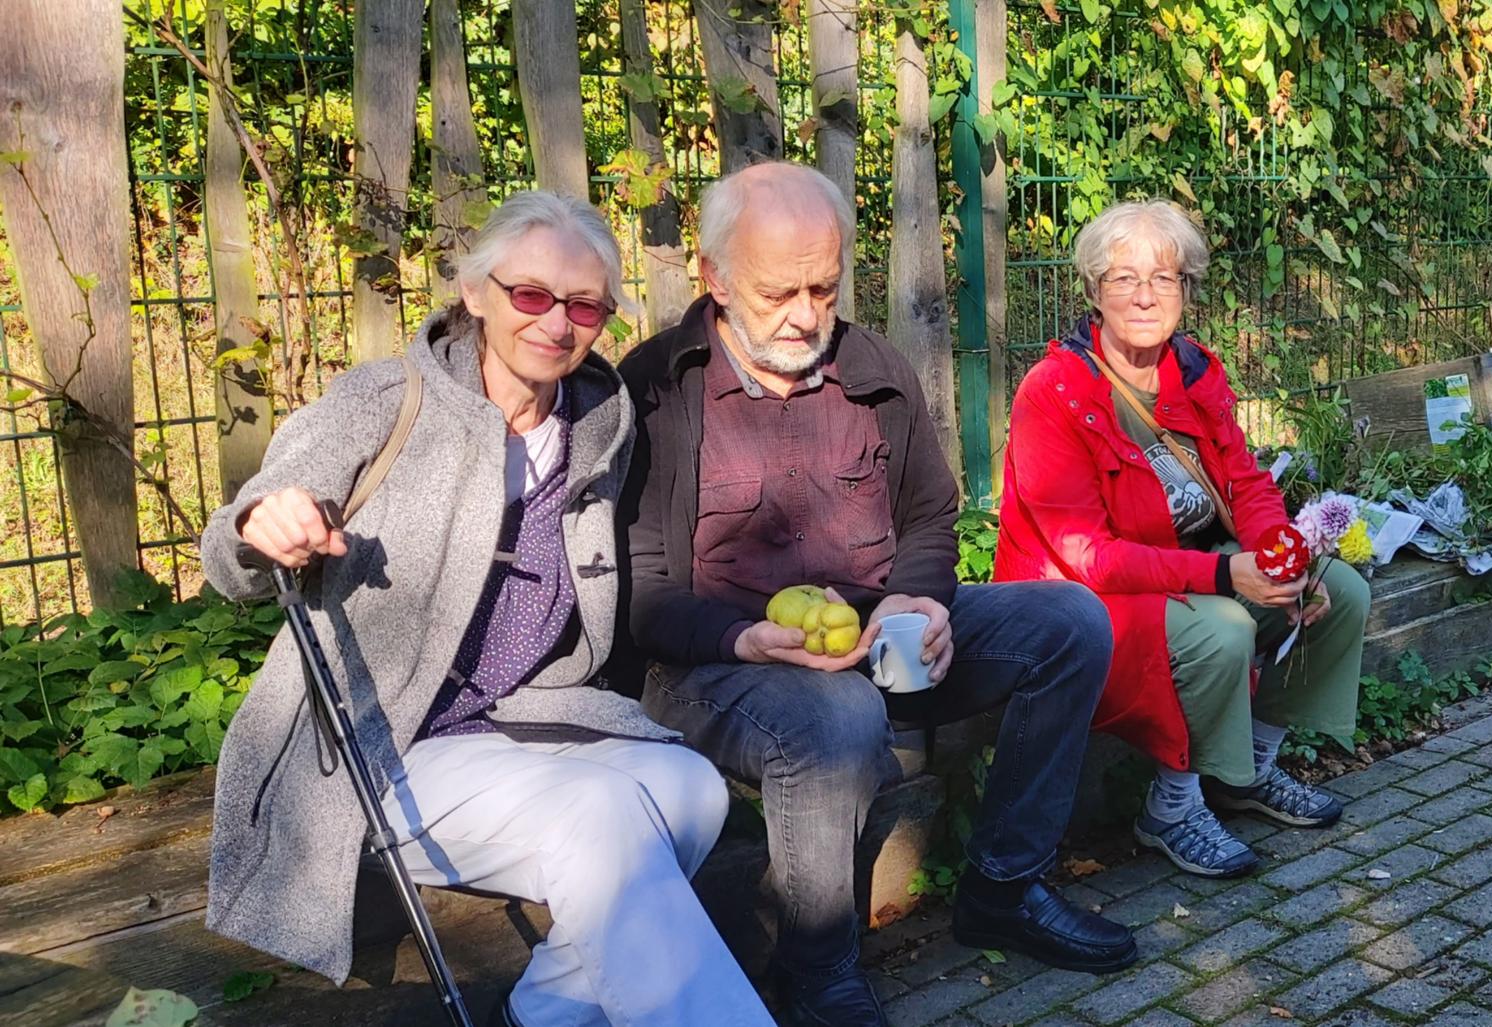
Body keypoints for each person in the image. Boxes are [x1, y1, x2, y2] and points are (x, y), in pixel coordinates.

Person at [198, 191, 773, 1027]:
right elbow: (231, 552)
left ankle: (539, 1015)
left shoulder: (595, 424)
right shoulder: (383, 400)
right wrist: (263, 525)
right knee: (604, 814)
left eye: (584, 305)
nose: (556, 323)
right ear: (475, 291)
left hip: (511, 722)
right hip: (374, 740)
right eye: (530, 295)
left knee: (690, 788)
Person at [617, 161, 1136, 1027]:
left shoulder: (872, 368)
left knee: (1070, 622)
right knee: (836, 716)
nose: (808, 316)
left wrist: (920, 597)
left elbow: (932, 513)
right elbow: (636, 586)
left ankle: (1004, 886)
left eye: (825, 286)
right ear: (713, 275)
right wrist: (743, 640)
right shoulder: (657, 388)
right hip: (714, 664)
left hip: (877, 643)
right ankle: (816, 969)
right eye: (780, 291)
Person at [993, 199, 1373, 879]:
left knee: (1336, 587)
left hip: (1185, 569)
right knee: (1223, 627)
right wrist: (1230, 577)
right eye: (1124, 278)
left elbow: (1248, 481)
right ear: (1092, 291)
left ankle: (1249, 770)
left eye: (1163, 279)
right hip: (1082, 600)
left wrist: (1283, 561)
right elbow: (1087, 555)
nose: (1144, 295)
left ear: (1186, 290)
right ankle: (1172, 804)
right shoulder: (1053, 392)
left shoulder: (1193, 370)